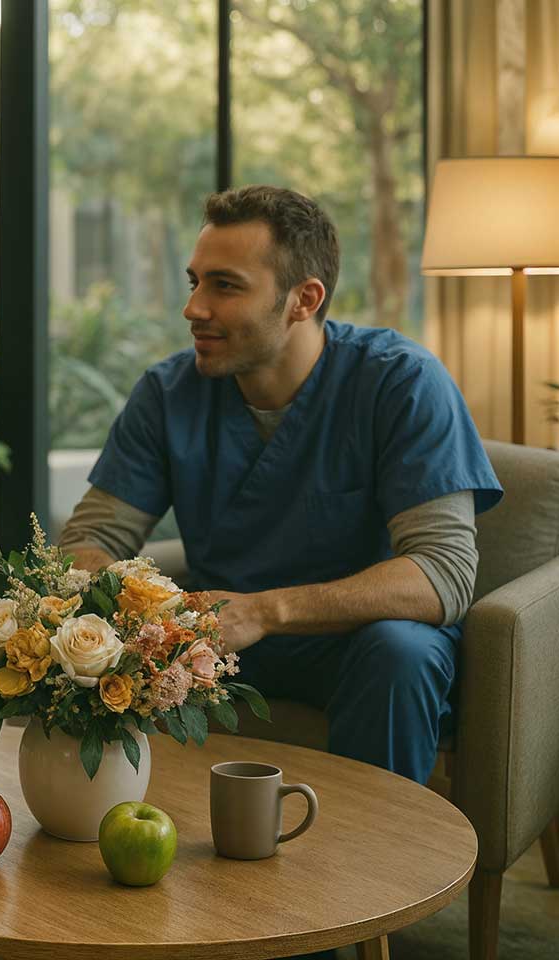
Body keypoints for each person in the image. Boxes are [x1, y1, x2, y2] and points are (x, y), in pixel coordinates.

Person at [59, 185, 501, 788]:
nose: (193, 307)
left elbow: (442, 574)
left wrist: (267, 610)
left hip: (354, 647)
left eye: (225, 285)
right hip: (216, 647)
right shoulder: (167, 394)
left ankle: (376, 875)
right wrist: (131, 605)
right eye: (194, 282)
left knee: (402, 653)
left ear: (303, 299)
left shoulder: (402, 383)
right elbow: (90, 537)